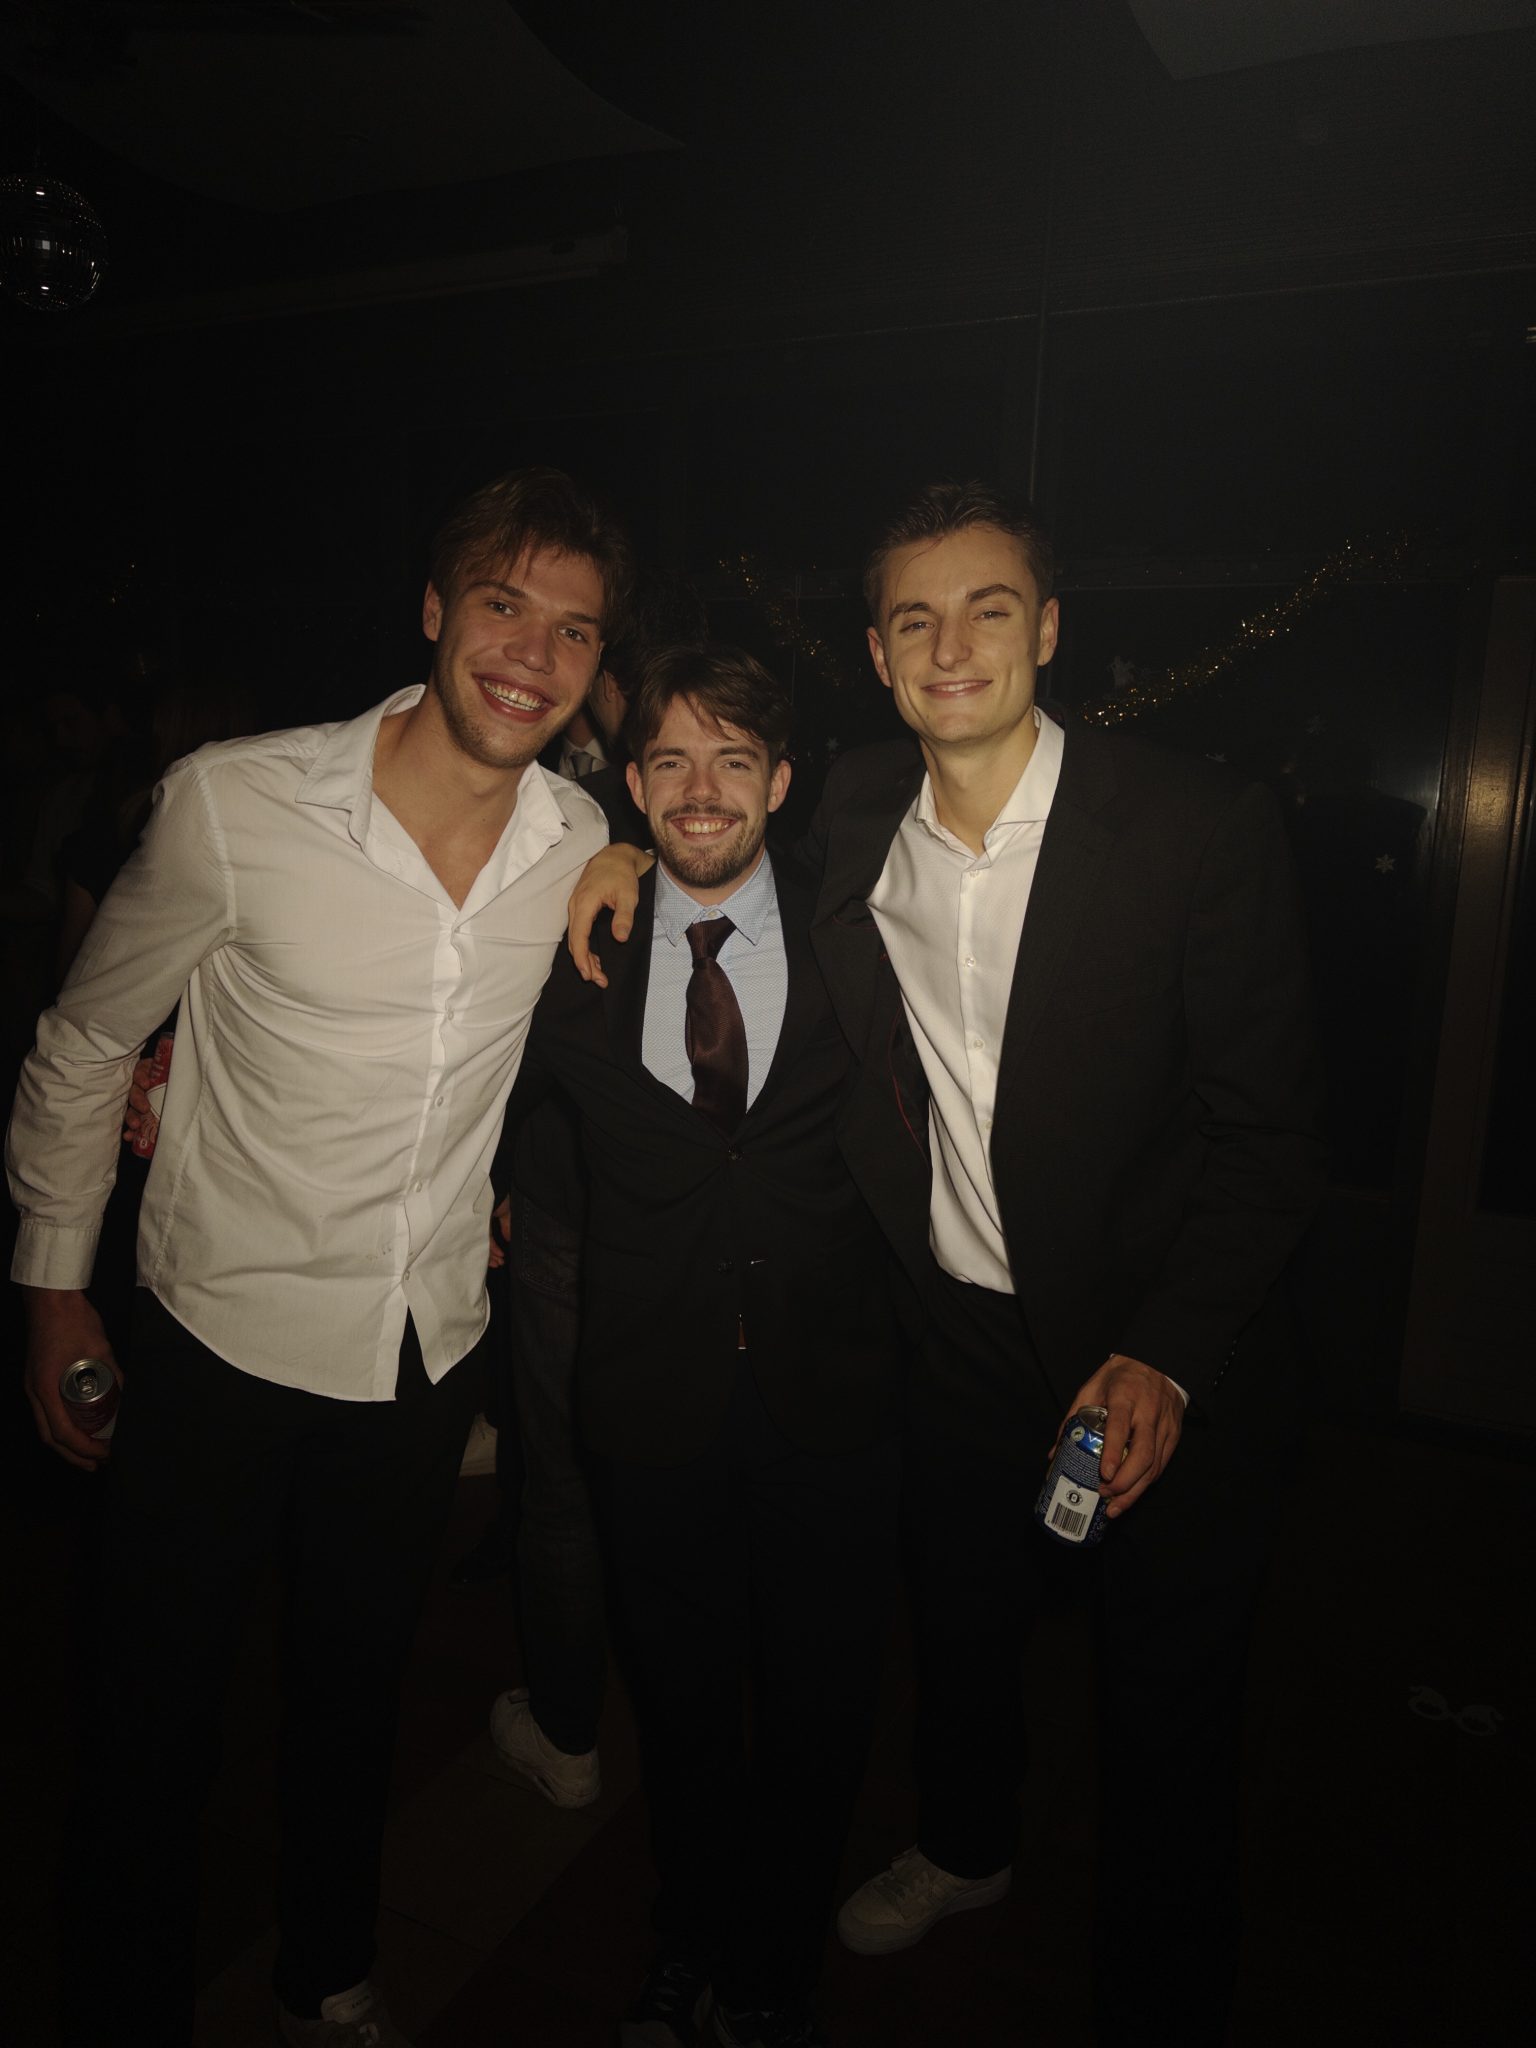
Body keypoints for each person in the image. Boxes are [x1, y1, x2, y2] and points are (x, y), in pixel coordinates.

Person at [567, 482, 1326, 2046]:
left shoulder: (1194, 827)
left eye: (988, 609)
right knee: (965, 1648)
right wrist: (618, 854)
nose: (951, 644)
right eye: (915, 618)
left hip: (1158, 1349)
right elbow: (711, 816)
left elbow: (1272, 1139)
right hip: (957, 1347)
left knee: (1166, 1720)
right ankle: (969, 1850)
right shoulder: (852, 815)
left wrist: (1171, 1349)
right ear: (877, 652)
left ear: (1045, 630)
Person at [7, 465, 632, 2048]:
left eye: (573, 629)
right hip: (215, 1339)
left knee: (355, 1697)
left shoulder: (578, 834)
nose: (532, 653)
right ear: (433, 610)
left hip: (420, 1353)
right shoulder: (234, 805)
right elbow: (88, 1037)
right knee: (151, 1716)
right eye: (502, 604)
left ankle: (327, 1971)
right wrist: (57, 1286)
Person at [514, 645, 905, 2048]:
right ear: (632, 782)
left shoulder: (862, 925)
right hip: (649, 1398)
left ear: (781, 783)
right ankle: (689, 1932)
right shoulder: (573, 947)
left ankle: (774, 1968)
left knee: (816, 1713)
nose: (700, 789)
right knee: (679, 1714)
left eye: (734, 759)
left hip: (833, 1395)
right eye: (671, 759)